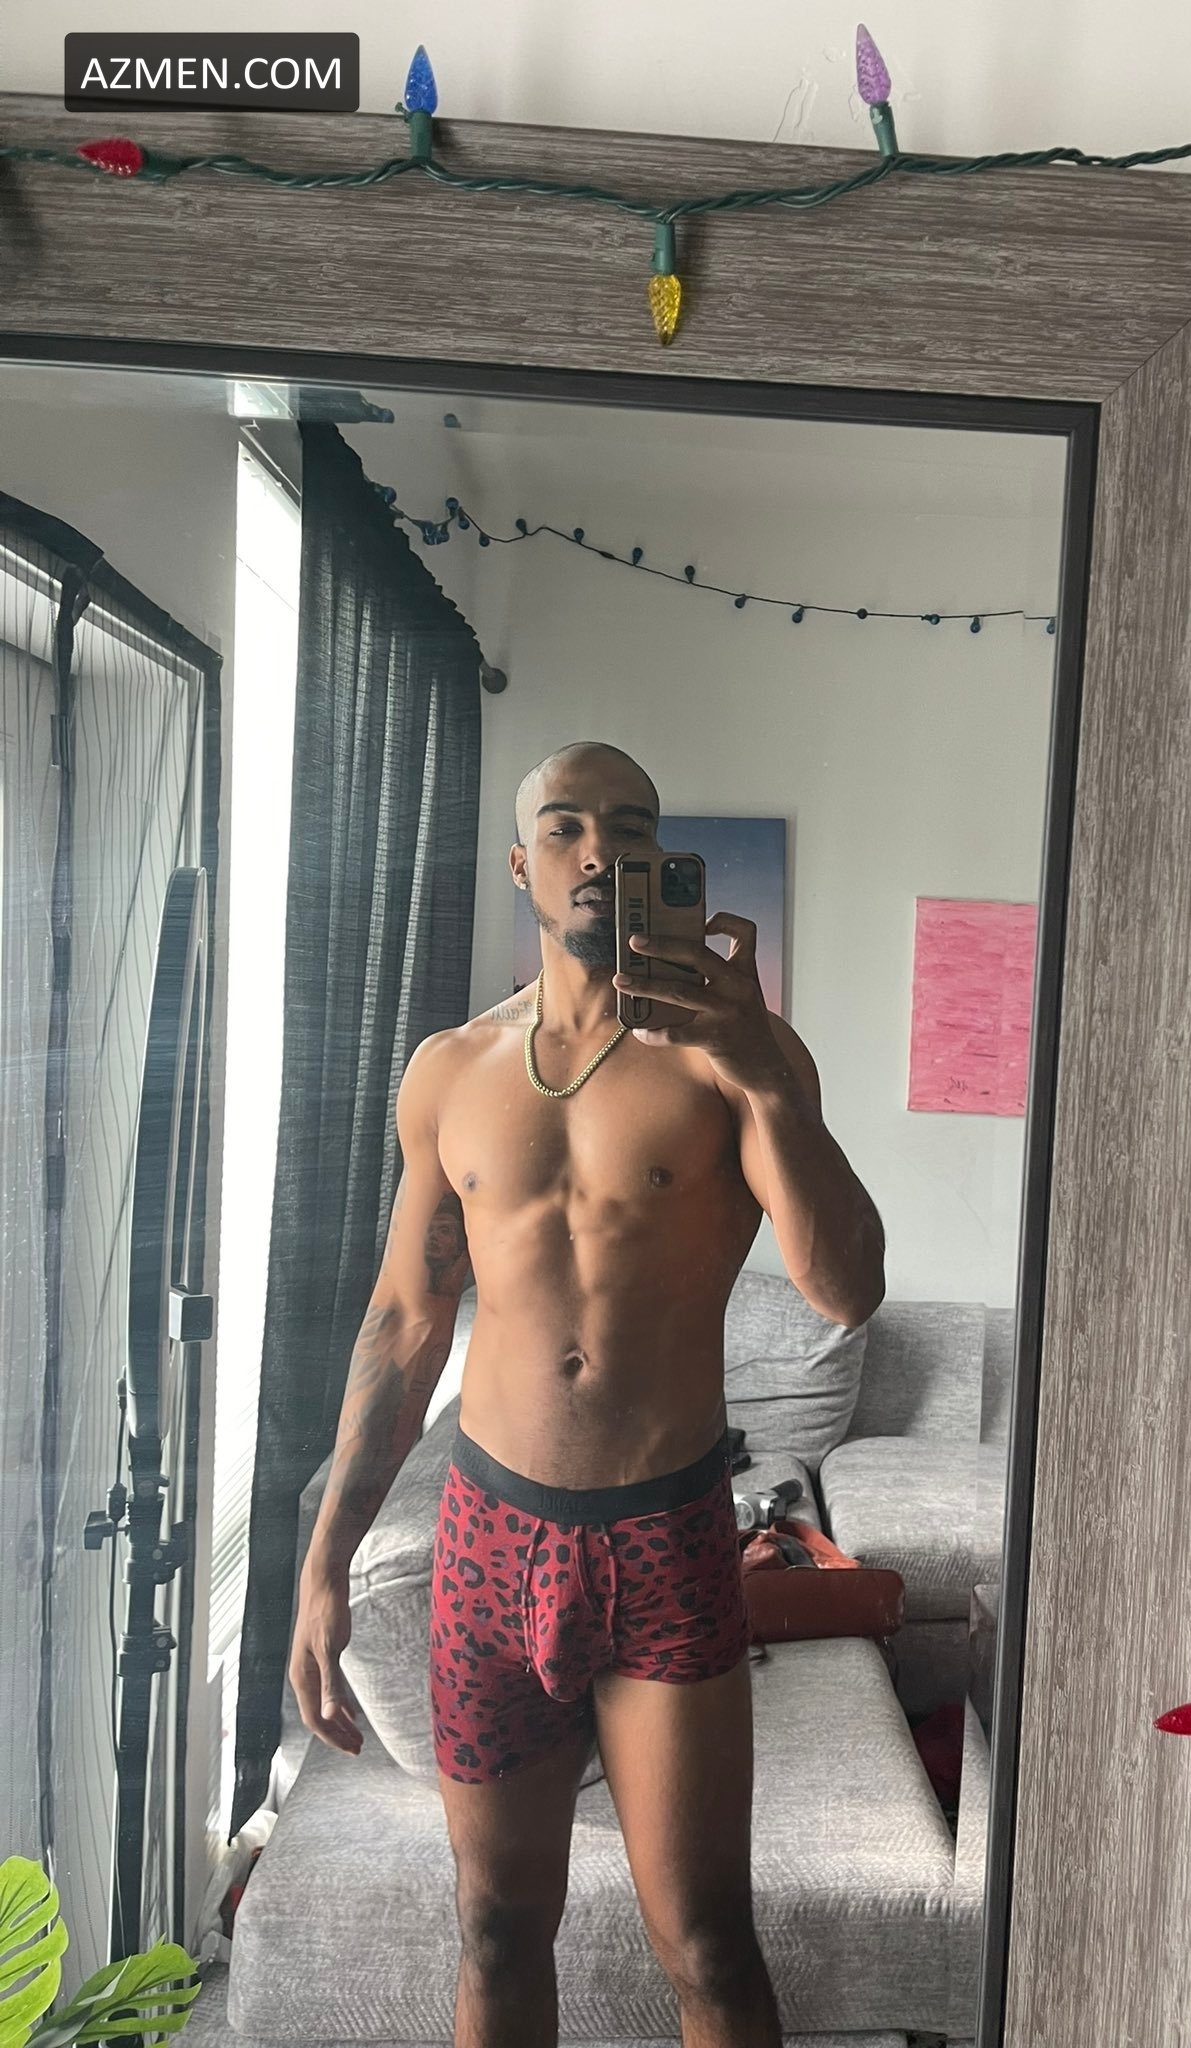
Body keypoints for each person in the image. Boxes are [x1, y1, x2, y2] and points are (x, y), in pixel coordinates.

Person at [289, 740, 886, 2048]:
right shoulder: (451, 1071)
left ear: (666, 856)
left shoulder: (735, 1060)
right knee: (497, 1927)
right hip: (491, 1535)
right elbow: (405, 1324)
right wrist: (325, 1563)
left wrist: (765, 1071)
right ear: (523, 864)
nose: (600, 849)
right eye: (565, 825)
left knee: (709, 1943)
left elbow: (847, 1289)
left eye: (630, 825)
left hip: (667, 1533)